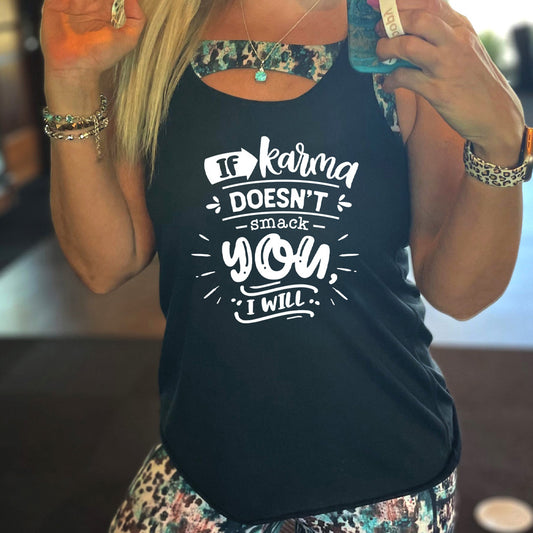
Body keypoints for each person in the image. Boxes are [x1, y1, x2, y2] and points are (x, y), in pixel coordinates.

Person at [40, 0, 532, 532]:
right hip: (204, 467)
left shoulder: (400, 27)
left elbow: (461, 292)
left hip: (384, 481)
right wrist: (69, 80)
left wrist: (501, 140)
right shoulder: (150, 33)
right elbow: (105, 263)